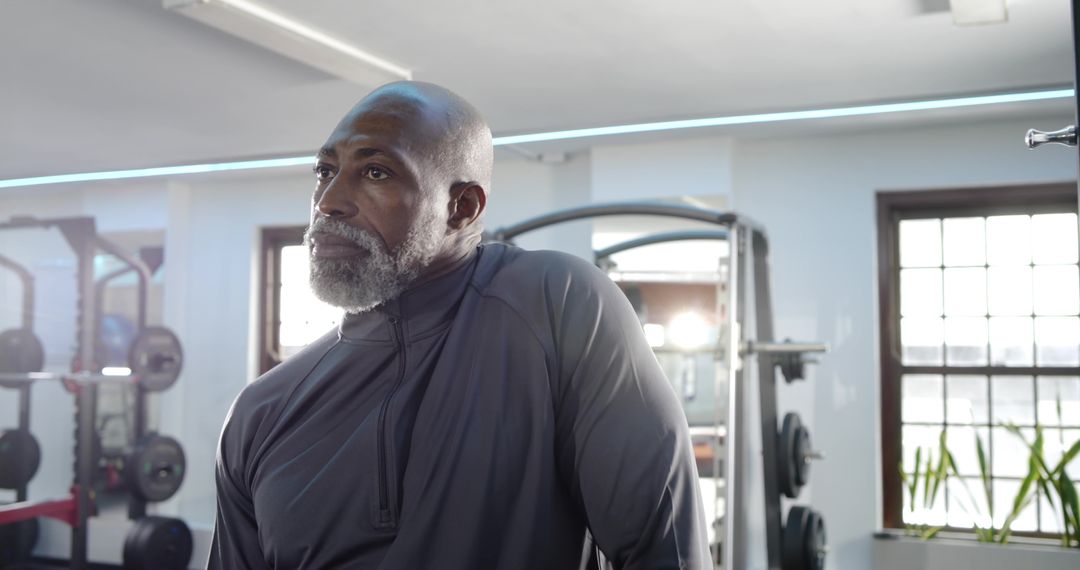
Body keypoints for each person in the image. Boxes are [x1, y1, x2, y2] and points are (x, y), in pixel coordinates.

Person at [209, 81, 710, 569]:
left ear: (462, 207)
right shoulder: (262, 411)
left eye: (377, 172)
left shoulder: (555, 305)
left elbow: (665, 549)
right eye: (325, 170)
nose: (328, 201)